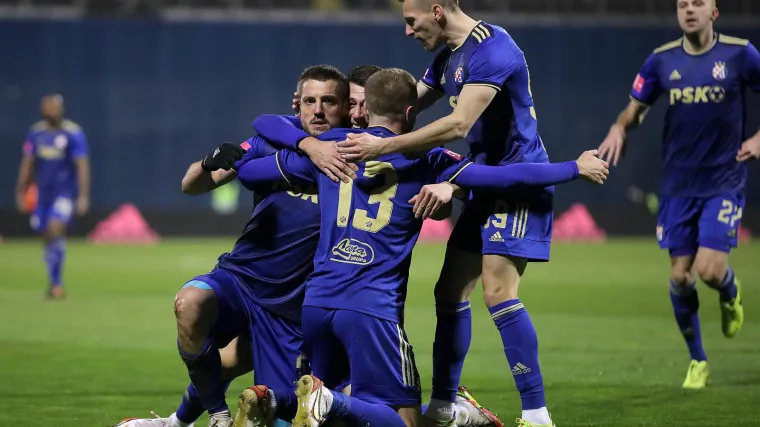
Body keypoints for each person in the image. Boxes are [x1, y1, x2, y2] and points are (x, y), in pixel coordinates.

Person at [232, 68, 608, 427]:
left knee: (332, 411)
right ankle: (328, 401)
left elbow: (249, 169)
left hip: (316, 303)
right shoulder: (429, 159)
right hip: (372, 308)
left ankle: (275, 400)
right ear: (411, 113)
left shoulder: (332, 148)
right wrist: (574, 168)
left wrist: (307, 145)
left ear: (364, 109)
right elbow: (508, 177)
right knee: (403, 420)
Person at [320, 2, 563, 425]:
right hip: (480, 181)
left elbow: (458, 125)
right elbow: (400, 104)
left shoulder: (493, 49)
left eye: (411, 21)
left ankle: (536, 414)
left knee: (498, 291)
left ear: (436, 11)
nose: (407, 31)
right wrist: (353, 118)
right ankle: (445, 406)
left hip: (516, 183)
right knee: (449, 292)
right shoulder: (448, 58)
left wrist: (382, 146)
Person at [116, 65, 349, 427]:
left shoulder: (352, 152)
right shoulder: (269, 141)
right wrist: (206, 163)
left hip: (292, 305)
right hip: (241, 278)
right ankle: (217, 416)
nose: (318, 110)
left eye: (328, 101)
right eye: (310, 101)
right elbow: (192, 185)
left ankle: (176, 422)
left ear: (345, 107)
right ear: (297, 103)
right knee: (189, 302)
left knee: (242, 378)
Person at [597, 0, 760, 390]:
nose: (689, 10)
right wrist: (620, 127)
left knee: (710, 270)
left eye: (698, 3)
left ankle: (729, 291)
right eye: (682, 4)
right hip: (678, 186)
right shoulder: (661, 61)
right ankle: (698, 360)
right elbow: (635, 108)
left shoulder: (740, 54)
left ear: (714, 12)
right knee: (680, 277)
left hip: (723, 180)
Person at [15, 94, 90, 300]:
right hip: (43, 195)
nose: (52, 111)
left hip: (64, 193)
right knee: (47, 235)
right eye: (48, 107)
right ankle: (53, 279)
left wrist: (83, 196)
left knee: (56, 227)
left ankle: (57, 285)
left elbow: (82, 165)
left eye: (55, 107)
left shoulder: (73, 133)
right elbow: (28, 163)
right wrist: (21, 191)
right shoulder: (36, 133)